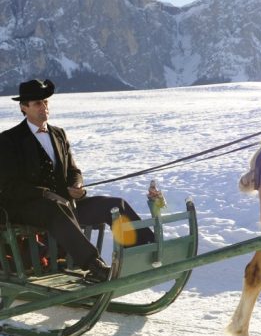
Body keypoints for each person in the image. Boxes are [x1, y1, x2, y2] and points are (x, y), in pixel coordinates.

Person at [0, 79, 154, 282]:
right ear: (23, 107)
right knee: (54, 207)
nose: (44, 107)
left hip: (65, 205)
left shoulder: (58, 134)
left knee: (114, 205)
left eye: (46, 102)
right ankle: (93, 265)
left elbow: (73, 170)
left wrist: (77, 185)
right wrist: (45, 193)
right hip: (28, 209)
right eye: (37, 103)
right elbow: (9, 187)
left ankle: (150, 251)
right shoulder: (9, 140)